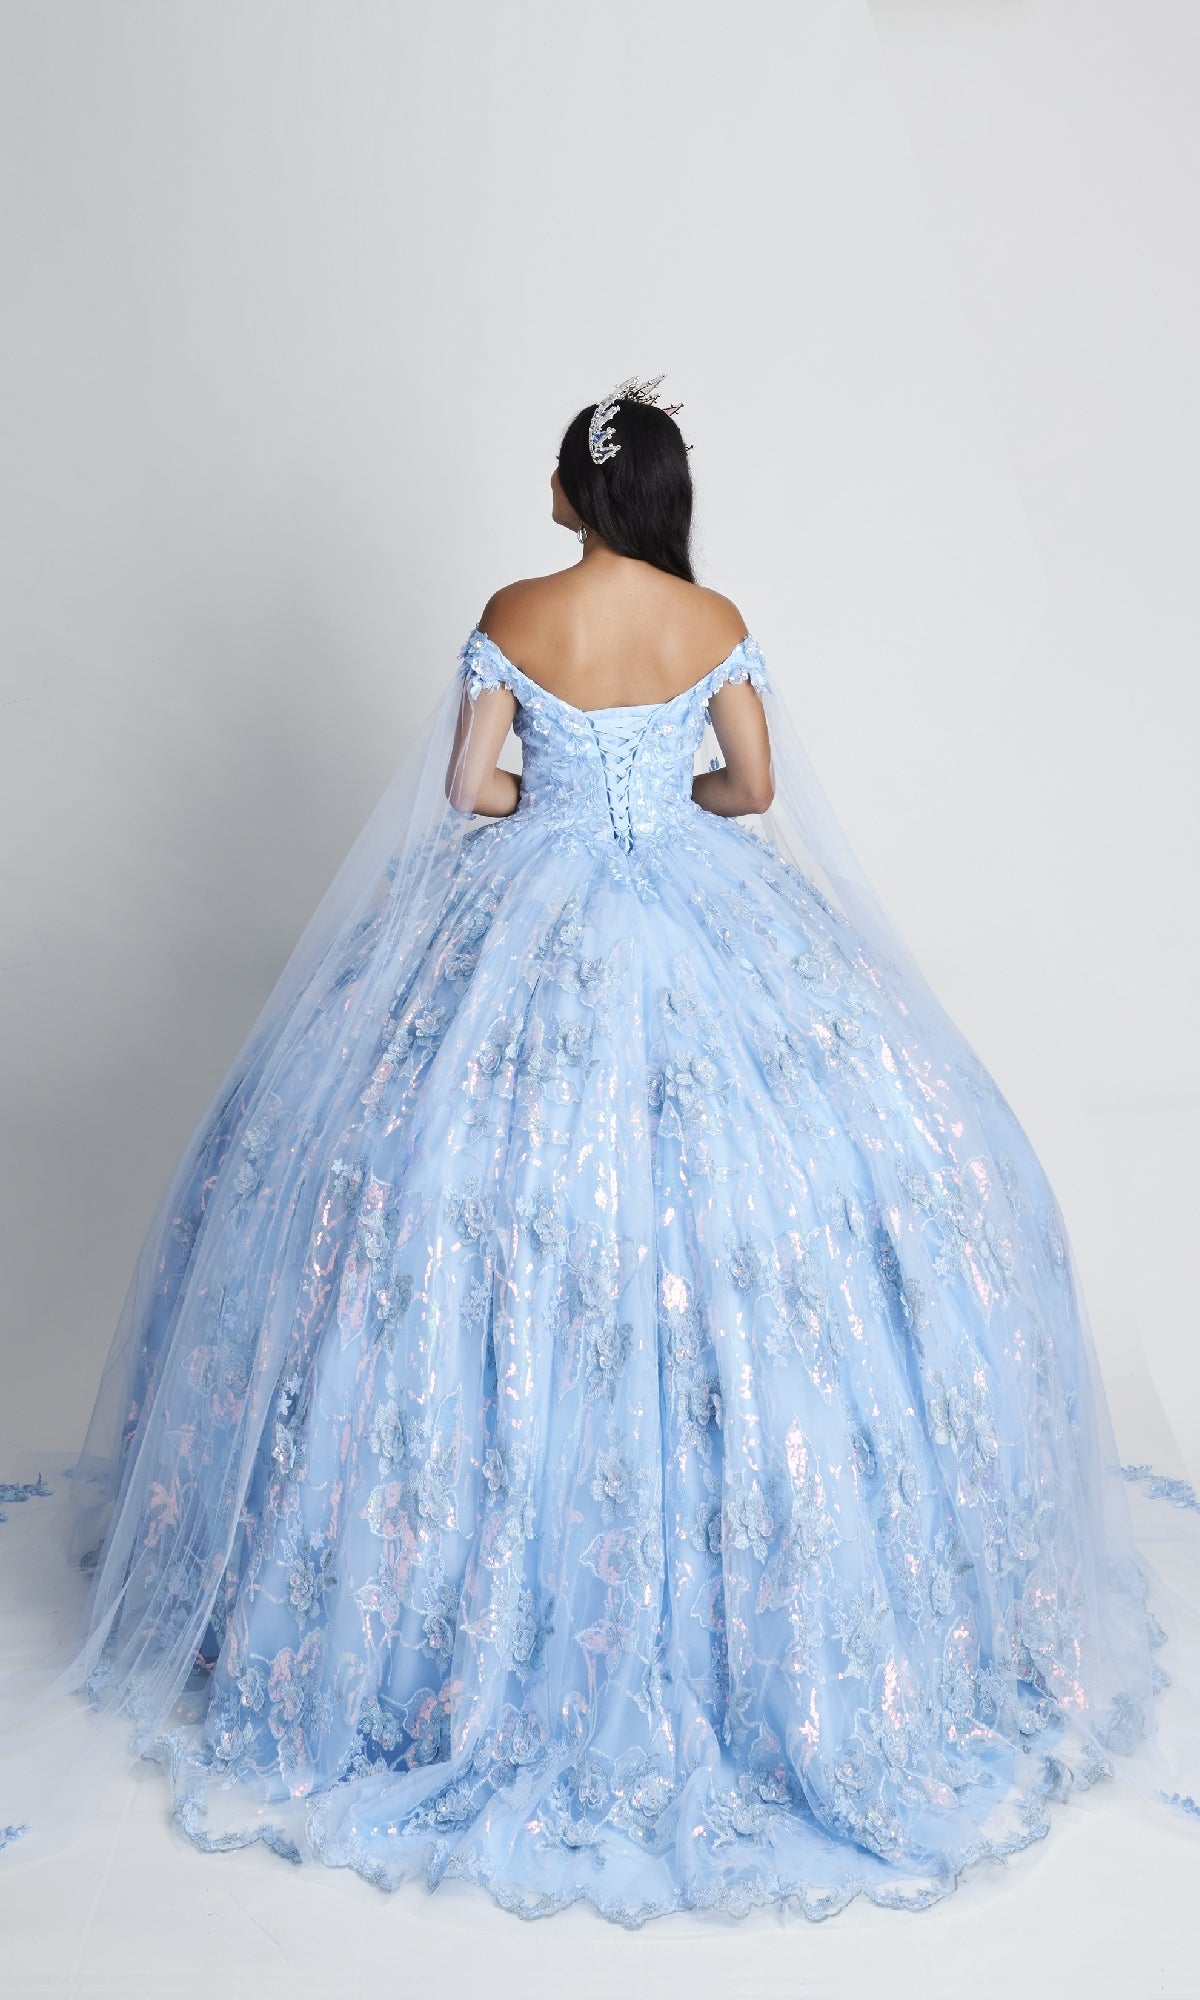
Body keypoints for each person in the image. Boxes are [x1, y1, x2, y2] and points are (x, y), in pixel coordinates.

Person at [6, 377, 1198, 1923]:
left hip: (525, 910)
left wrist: (556, 798)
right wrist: (674, 800)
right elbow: (757, 788)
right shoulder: (711, 623)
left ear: (574, 491)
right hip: (706, 908)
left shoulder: (515, 605)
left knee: (467, 1217)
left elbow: (466, 788)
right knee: (755, 1224)